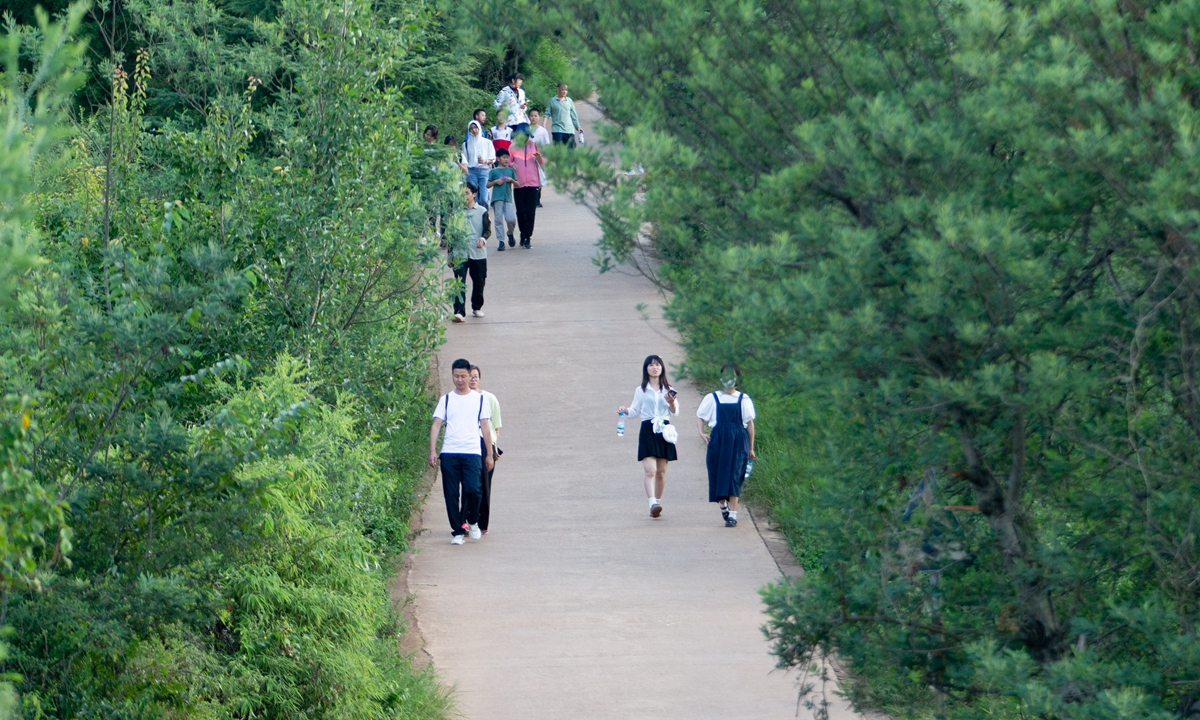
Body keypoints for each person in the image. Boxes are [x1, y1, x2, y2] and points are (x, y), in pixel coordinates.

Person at [429, 358, 495, 544]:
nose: (459, 379)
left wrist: (489, 454)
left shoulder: (480, 399)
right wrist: (433, 451)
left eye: (463, 376)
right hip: (449, 452)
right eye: (456, 376)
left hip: (472, 451)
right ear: (452, 376)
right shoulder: (446, 399)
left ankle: (472, 521)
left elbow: (485, 427)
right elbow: (436, 426)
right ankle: (457, 531)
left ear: (469, 376)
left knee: (474, 489)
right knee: (451, 493)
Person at [618, 355, 679, 518]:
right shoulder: (641, 390)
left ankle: (657, 503)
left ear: (662, 368)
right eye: (651, 365)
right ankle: (652, 503)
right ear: (646, 369)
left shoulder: (668, 389)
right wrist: (625, 410)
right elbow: (634, 411)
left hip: (664, 430)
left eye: (657, 365)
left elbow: (675, 412)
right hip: (647, 429)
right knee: (650, 470)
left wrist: (671, 402)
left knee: (661, 472)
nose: (654, 368)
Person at [696, 364, 756, 527]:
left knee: (735, 475)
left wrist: (751, 448)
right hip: (718, 439)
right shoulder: (712, 397)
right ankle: (723, 505)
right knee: (718, 473)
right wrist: (702, 433)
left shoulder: (743, 399)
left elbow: (750, 424)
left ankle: (733, 515)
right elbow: (700, 416)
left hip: (739, 439)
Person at [469, 366, 502, 535]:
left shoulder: (489, 398)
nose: (473, 380)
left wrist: (493, 448)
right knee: (470, 486)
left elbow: (495, 426)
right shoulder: (461, 399)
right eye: (470, 376)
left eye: (475, 376)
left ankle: (482, 524)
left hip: (486, 445)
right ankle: (467, 521)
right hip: (468, 445)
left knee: (484, 485)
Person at [455, 183, 490, 320]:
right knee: (459, 283)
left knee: (479, 281)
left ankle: (476, 307)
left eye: (466, 193)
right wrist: (451, 255)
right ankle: (459, 311)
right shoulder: (457, 212)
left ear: (474, 194)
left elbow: (487, 230)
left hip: (478, 253)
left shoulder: (482, 211)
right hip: (460, 253)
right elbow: (452, 234)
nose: (464, 196)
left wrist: (483, 239)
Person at [510, 136, 544, 249]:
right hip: (518, 185)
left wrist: (539, 158)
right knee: (520, 212)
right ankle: (522, 233)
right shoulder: (513, 146)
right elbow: (506, 163)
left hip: (533, 184)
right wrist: (511, 165)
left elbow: (544, 165)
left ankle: (527, 237)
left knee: (530, 213)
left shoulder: (535, 145)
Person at [488, 148, 518, 251]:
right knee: (498, 219)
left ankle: (510, 233)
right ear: (498, 158)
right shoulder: (493, 171)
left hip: (508, 198)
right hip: (497, 198)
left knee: (511, 219)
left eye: (507, 158)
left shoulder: (510, 170)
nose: (506, 160)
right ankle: (501, 241)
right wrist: (495, 181)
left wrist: (512, 180)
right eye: (504, 158)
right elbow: (488, 185)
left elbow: (518, 183)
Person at [462, 120, 496, 206]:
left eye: (475, 128)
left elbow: (493, 158)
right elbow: (465, 160)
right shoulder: (466, 144)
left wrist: (486, 161)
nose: (474, 130)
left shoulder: (487, 142)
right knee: (473, 196)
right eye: (471, 128)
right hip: (471, 171)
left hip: (484, 170)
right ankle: (476, 216)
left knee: (483, 197)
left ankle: (484, 214)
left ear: (479, 128)